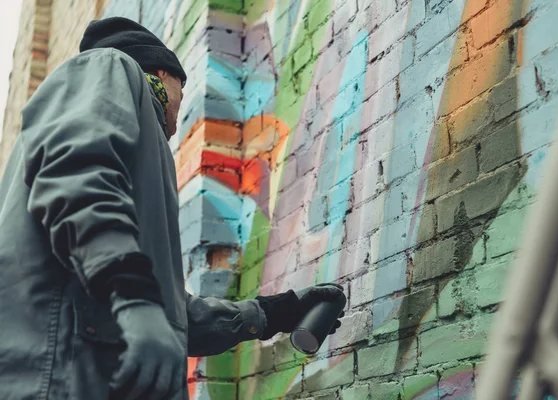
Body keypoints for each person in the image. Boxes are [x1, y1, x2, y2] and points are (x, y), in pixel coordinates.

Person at [0, 17, 346, 400]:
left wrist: (274, 314)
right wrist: (134, 296)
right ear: (164, 73)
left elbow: (174, 318)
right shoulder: (108, 67)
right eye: (182, 92)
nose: (176, 126)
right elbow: (78, 179)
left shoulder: (121, 247)